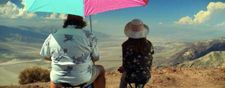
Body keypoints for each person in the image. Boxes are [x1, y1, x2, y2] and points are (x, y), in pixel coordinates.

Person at [40, 14, 105, 88]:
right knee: (101, 69)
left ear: (66, 21)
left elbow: (45, 55)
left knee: (55, 76)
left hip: (59, 79)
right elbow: (96, 58)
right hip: (82, 79)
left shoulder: (53, 35)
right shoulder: (89, 36)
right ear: (81, 21)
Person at [118, 19, 154, 88]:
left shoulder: (125, 45)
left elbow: (125, 64)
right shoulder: (149, 44)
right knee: (140, 78)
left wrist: (122, 68)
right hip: (145, 75)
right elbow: (150, 59)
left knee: (123, 79)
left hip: (130, 76)